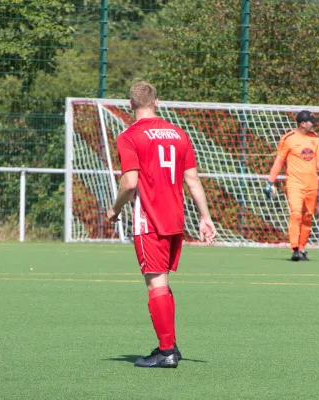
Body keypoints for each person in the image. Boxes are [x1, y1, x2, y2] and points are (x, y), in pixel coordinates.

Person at [106, 81, 217, 368]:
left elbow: (130, 183)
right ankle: (170, 345)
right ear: (157, 102)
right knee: (163, 284)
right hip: (175, 219)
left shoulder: (129, 136)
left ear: (130, 105)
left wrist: (114, 209)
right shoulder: (179, 134)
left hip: (149, 220)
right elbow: (192, 180)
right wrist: (205, 218)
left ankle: (166, 352)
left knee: (155, 285)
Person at [265, 110, 319, 261]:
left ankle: (302, 248)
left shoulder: (314, 138)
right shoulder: (288, 138)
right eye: (311, 122)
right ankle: (295, 248)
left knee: (308, 217)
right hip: (295, 184)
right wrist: (270, 181)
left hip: (312, 184)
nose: (314, 124)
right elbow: (279, 161)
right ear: (303, 124)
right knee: (296, 213)